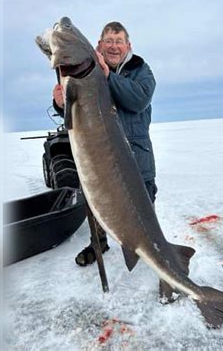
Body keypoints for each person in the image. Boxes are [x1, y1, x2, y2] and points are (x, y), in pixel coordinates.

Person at [52, 21, 157, 266]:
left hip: (136, 159)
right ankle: (98, 244)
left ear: (128, 45)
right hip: (100, 158)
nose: (113, 46)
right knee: (99, 204)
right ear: (99, 45)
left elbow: (138, 100)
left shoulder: (141, 70)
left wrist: (108, 77)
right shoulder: (87, 74)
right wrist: (61, 104)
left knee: (144, 217)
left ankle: (154, 254)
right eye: (108, 41)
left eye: (119, 41)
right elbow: (78, 116)